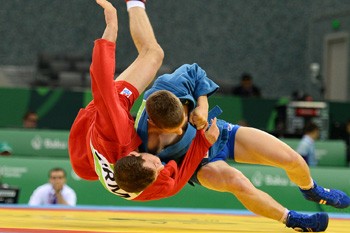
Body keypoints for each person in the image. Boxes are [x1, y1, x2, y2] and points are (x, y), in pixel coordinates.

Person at [118, 63, 350, 232]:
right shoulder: (139, 146)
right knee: (238, 182)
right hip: (199, 162)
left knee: (292, 159)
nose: (181, 131)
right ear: (153, 125)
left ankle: (310, 189)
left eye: (183, 123)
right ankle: (294, 221)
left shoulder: (168, 86)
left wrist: (202, 104)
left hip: (221, 133)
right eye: (175, 130)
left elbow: (196, 72)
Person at [68, 0, 166, 199]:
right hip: (85, 161)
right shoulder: (139, 179)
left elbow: (101, 80)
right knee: (149, 54)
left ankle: (134, 2)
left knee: (153, 54)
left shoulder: (116, 129)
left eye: (154, 164)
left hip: (105, 113)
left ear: (133, 155)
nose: (160, 166)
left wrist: (111, 28)